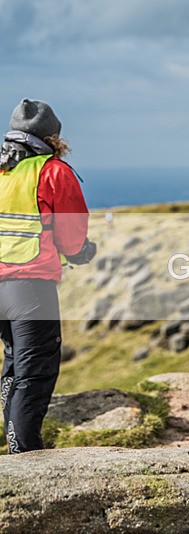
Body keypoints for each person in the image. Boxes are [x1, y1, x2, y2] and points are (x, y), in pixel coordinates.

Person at [0, 99, 95, 453]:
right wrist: (83, 252)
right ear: (52, 137)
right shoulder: (53, 172)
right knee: (35, 371)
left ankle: (14, 446)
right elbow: (72, 240)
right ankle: (24, 454)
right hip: (29, 288)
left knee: (14, 363)